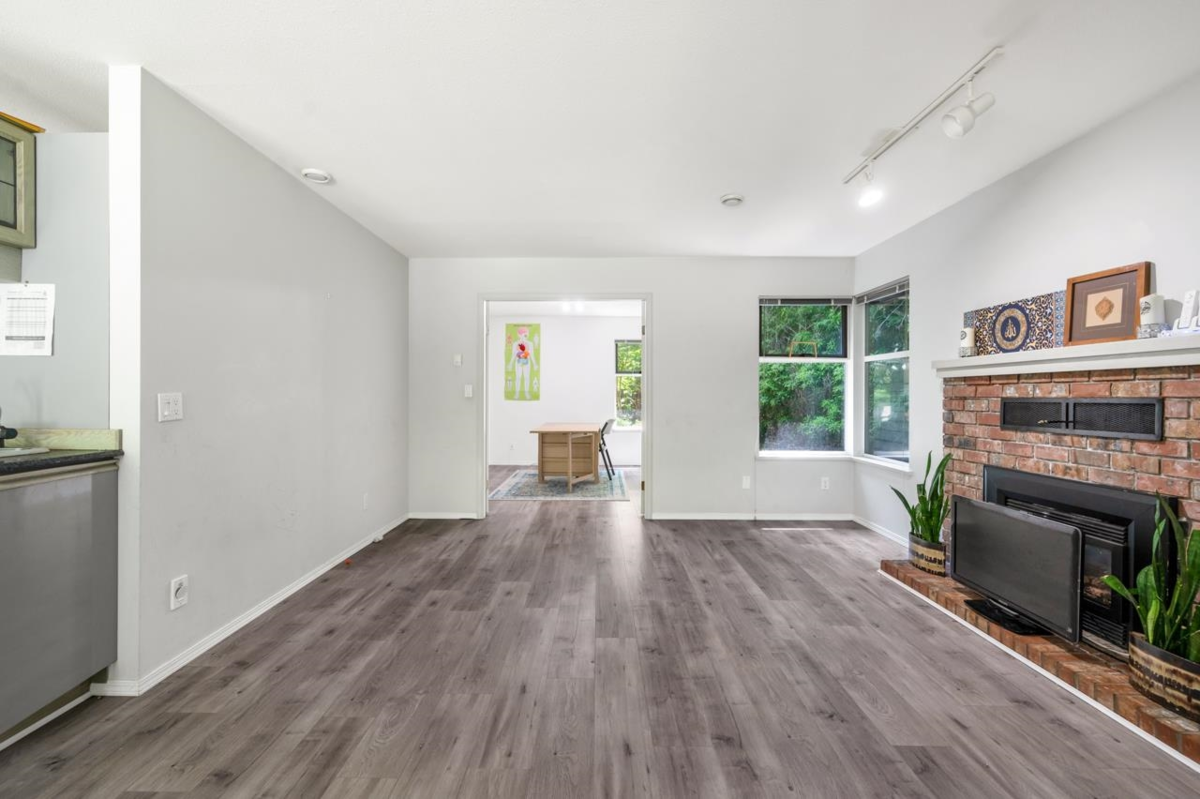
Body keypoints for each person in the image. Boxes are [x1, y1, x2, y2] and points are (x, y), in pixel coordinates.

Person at [508, 326, 538, 399]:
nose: (524, 336)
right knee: (518, 377)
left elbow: (532, 355)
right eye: (523, 334)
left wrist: (534, 364)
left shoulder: (530, 344)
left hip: (527, 363)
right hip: (518, 363)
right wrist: (510, 364)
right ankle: (517, 393)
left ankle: (526, 392)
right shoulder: (515, 344)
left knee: (527, 377)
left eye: (526, 335)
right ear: (519, 335)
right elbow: (513, 355)